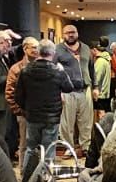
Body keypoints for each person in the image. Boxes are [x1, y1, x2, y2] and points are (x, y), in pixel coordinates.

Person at [15, 40, 74, 174]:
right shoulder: (57, 71)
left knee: (31, 148)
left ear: (38, 52)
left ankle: (27, 178)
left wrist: (28, 108)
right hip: (52, 118)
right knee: (48, 150)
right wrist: (63, 71)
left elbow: (18, 97)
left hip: (32, 116)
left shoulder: (25, 71)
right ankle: (45, 180)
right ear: (53, 53)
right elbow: (69, 88)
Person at [55, 23, 93, 155]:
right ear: (63, 35)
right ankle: (69, 148)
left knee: (86, 122)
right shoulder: (57, 50)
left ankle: (86, 147)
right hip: (67, 92)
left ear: (77, 33)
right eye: (68, 32)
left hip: (85, 90)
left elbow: (91, 68)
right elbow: (53, 70)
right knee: (66, 124)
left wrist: (96, 87)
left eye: (73, 32)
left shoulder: (86, 48)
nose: (71, 35)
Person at [4, 35, 40, 163]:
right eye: (34, 47)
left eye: (38, 47)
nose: (37, 50)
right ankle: (24, 173)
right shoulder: (16, 69)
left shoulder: (43, 66)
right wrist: (20, 111)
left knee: (40, 145)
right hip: (24, 114)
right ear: (25, 49)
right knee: (25, 144)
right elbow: (9, 93)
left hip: (40, 113)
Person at [92, 40, 113, 117]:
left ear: (94, 50)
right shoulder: (106, 59)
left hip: (100, 93)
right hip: (104, 92)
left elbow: (96, 78)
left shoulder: (100, 61)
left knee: (101, 114)